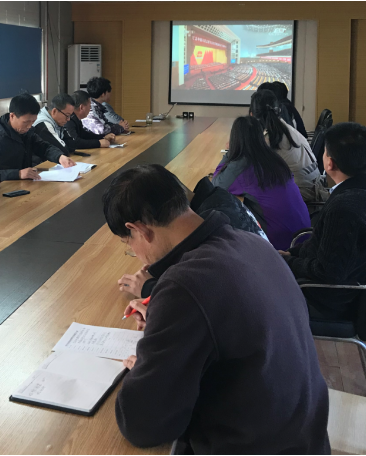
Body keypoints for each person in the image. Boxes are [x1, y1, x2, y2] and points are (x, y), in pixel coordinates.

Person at [102, 164, 329, 453]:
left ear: (139, 230)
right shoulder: (251, 242)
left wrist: (145, 370)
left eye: (129, 245)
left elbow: (143, 425)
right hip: (304, 437)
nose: (136, 256)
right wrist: (165, 321)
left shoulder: (184, 286)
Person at [280, 122, 366, 320]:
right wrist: (292, 254)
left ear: (329, 163)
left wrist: (289, 262)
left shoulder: (344, 209)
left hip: (323, 300)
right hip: (334, 287)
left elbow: (327, 272)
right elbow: (325, 248)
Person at [118, 176, 268, 299]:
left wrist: (151, 290)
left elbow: (208, 295)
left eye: (128, 243)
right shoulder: (218, 198)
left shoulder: (211, 237)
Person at [212, 116, 311, 250]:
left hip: (282, 244)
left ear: (235, 139)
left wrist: (230, 152)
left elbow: (216, 185)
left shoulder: (242, 165)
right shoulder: (273, 157)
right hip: (304, 234)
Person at [250, 90, 322, 202]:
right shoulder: (285, 128)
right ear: (279, 110)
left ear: (252, 114)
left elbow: (252, 171)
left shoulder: (269, 138)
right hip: (313, 188)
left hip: (303, 194)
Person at [0, 93, 76, 181]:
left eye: (33, 121)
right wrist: (18, 173)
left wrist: (59, 157)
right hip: (6, 185)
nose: (29, 126)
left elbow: (43, 147)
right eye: (26, 122)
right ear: (12, 116)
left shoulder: (26, 132)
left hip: (25, 182)